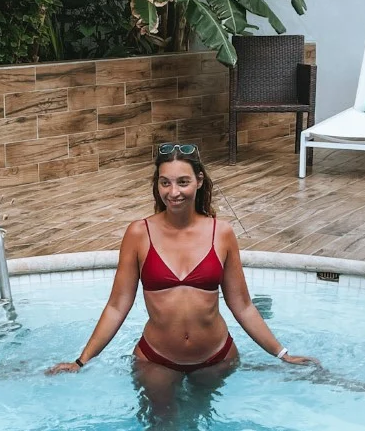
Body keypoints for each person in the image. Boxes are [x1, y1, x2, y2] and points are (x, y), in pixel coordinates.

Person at [47, 142, 317, 405]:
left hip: (217, 357)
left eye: (182, 182)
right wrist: (81, 361)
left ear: (199, 181)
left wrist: (282, 354)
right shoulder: (138, 234)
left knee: (203, 429)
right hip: (157, 359)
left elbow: (243, 305)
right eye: (165, 182)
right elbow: (117, 306)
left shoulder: (221, 233)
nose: (173, 192)